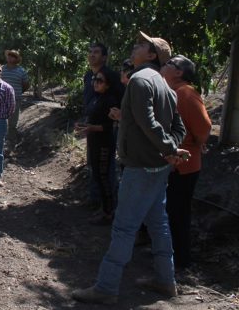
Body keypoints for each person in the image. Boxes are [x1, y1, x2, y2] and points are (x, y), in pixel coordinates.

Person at [72, 32, 190, 305]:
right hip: (158, 168)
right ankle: (165, 279)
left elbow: (147, 121)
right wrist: (170, 148)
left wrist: (168, 149)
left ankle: (106, 286)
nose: (134, 46)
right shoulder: (164, 86)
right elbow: (178, 127)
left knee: (123, 227)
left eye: (141, 45)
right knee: (158, 223)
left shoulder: (139, 80)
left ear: (152, 55)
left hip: (140, 167)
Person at [161, 55, 212, 269]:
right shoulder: (171, 92)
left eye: (169, 63)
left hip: (185, 165)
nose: (164, 65)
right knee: (171, 211)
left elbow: (204, 126)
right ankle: (171, 255)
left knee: (178, 213)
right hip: (173, 164)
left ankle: (180, 260)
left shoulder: (187, 93)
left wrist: (195, 142)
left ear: (179, 72)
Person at [75, 69, 119, 224]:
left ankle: (109, 212)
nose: (95, 83)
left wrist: (91, 128)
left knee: (104, 177)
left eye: (100, 80)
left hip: (104, 144)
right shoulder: (96, 98)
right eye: (95, 79)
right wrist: (84, 125)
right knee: (98, 176)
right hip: (94, 141)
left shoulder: (110, 100)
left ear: (108, 84)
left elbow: (109, 126)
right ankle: (104, 209)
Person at [82, 43, 122, 209]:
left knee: (107, 167)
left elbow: (119, 98)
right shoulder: (88, 76)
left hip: (107, 127)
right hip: (92, 124)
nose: (92, 55)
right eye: (90, 52)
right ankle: (95, 198)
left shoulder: (111, 76)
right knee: (93, 163)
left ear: (104, 57)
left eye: (96, 52)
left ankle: (109, 206)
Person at [0, 50, 29, 146]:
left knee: (13, 123)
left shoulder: (21, 71)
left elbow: (26, 85)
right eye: (9, 55)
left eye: (13, 56)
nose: (10, 57)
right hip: (1, 99)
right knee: (0, 120)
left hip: (15, 99)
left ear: (16, 59)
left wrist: (18, 92)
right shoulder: (1, 69)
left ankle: (11, 143)